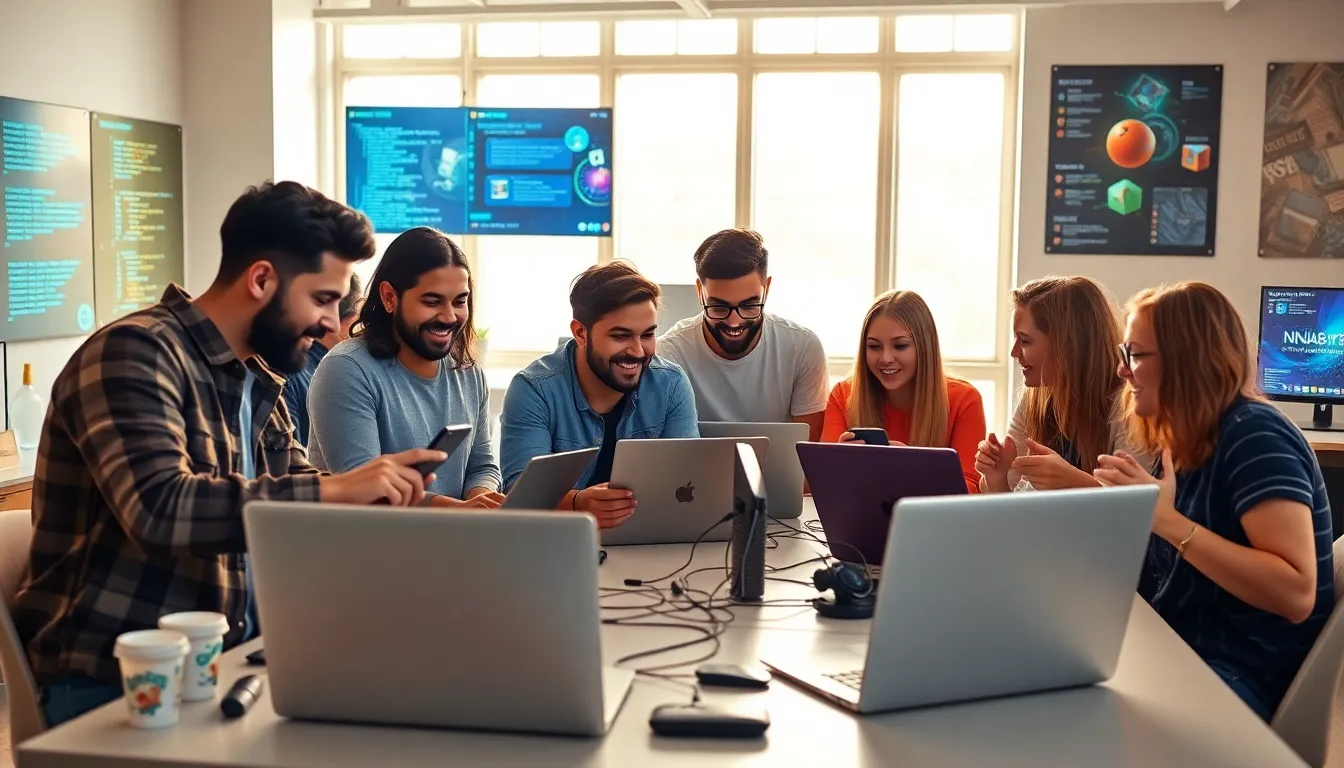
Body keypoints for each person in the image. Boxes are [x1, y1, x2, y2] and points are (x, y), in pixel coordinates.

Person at [13, 182, 447, 727]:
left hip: (230, 665)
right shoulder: (134, 352)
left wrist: (377, 499)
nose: (333, 325)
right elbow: (160, 508)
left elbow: (296, 490)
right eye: (322, 300)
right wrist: (338, 488)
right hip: (118, 686)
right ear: (261, 279)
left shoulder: (256, 377)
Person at [1094, 282, 1333, 721]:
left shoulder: (1254, 435)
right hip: (1190, 657)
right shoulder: (1187, 444)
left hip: (1239, 676)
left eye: (1136, 355)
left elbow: (1296, 591)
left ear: (1186, 361)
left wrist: (1165, 521)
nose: (1122, 371)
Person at [307, 227, 503, 508]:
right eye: (431, 301)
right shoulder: (346, 369)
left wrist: (481, 499)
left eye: (460, 301)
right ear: (389, 297)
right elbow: (366, 492)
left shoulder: (467, 371)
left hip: (453, 543)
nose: (449, 317)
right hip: (367, 547)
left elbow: (482, 465)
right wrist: (457, 511)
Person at [500, 261, 699, 528]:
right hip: (559, 543)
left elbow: (687, 482)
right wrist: (578, 503)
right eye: (621, 336)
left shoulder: (671, 384)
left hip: (648, 541)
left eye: (648, 335)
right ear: (580, 333)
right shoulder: (534, 389)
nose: (638, 351)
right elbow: (519, 492)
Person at [657, 229, 828, 440]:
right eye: (719, 307)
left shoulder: (802, 348)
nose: (734, 322)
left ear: (767, 287)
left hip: (779, 475)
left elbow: (807, 457)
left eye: (749, 306)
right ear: (700, 290)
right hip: (693, 474)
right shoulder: (668, 354)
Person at [976, 276, 1135, 493]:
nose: (1013, 353)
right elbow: (1009, 510)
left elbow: (1141, 508)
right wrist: (996, 477)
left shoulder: (1127, 402)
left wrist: (1073, 481)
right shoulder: (1037, 397)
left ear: (1066, 345)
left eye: (1024, 341)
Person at [821, 290, 986, 492]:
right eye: (874, 346)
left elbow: (970, 488)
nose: (885, 358)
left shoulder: (964, 400)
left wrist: (915, 470)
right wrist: (838, 466)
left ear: (924, 347)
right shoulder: (843, 395)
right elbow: (822, 484)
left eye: (900, 346)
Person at [283, 273, 362, 446]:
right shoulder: (290, 373)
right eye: (355, 315)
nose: (360, 326)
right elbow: (288, 459)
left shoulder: (351, 366)